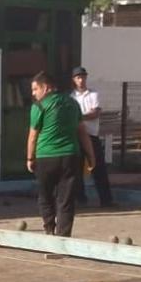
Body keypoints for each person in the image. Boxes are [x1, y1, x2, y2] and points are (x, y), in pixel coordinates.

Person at [27, 72, 93, 238]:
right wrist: (91, 155)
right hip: (71, 156)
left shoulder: (39, 106)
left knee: (45, 195)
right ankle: (63, 236)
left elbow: (33, 135)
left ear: (46, 87)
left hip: (46, 157)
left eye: (36, 89)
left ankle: (49, 229)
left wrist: (30, 158)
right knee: (66, 199)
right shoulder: (72, 103)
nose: (33, 93)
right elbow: (82, 132)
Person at [71, 67, 115, 209]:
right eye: (78, 77)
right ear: (74, 79)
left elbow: (95, 114)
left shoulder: (93, 94)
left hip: (92, 135)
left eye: (83, 77)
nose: (81, 80)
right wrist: (85, 115)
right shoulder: (71, 97)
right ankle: (80, 199)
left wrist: (80, 116)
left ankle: (106, 200)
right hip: (77, 136)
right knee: (76, 169)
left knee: (98, 168)